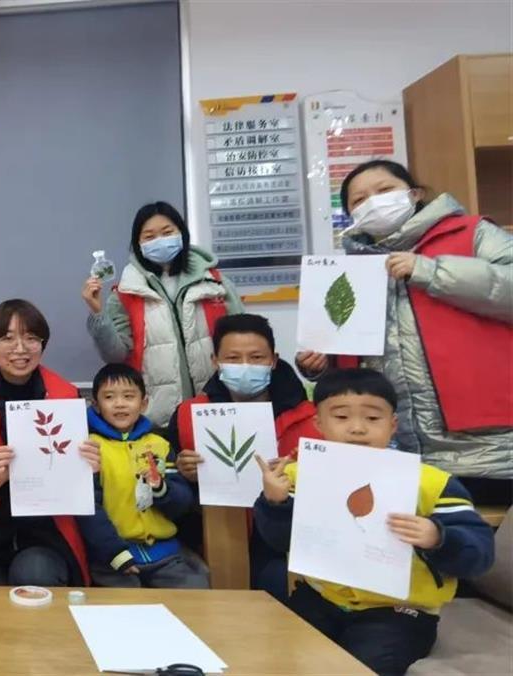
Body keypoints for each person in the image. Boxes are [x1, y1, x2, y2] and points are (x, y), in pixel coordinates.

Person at [254, 368, 495, 675]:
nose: (357, 428)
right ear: (319, 423)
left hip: (398, 613)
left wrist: (439, 537)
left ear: (393, 425)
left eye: (372, 418)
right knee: (272, 657)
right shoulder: (297, 475)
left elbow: (480, 554)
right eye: (341, 417)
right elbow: (277, 540)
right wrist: (275, 502)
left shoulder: (431, 483)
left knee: (363, 668)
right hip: (319, 599)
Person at [295, 160, 511, 492]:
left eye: (384, 190)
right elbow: (358, 359)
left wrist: (430, 271)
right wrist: (322, 363)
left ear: (415, 194)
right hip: (392, 452)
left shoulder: (472, 233)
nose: (373, 202)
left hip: (490, 448)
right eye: (359, 200)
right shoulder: (350, 271)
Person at [0, 299, 101, 587]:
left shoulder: (65, 395)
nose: (20, 348)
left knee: (34, 573)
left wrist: (88, 468)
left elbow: (79, 484)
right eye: (7, 338)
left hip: (47, 529)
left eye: (31, 338)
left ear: (42, 344)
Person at [167, 313, 320, 598]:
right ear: (215, 361)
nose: (245, 366)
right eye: (233, 358)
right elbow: (172, 498)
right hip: (218, 537)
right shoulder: (189, 415)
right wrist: (186, 475)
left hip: (287, 542)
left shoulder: (312, 419)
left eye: (256, 357)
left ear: (273, 360)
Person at [83, 201, 244, 426]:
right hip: (158, 417)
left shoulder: (215, 282)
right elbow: (115, 356)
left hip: (216, 409)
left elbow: (242, 339)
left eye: (167, 233)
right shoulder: (126, 292)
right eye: (149, 236)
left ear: (182, 233)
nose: (160, 241)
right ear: (138, 244)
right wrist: (98, 312)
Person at [77, 363, 207, 588]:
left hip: (164, 553)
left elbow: (183, 502)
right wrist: (114, 553)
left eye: (129, 396)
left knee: (196, 590)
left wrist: (161, 489)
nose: (120, 404)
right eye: (109, 397)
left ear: (144, 403)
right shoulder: (90, 448)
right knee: (126, 603)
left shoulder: (160, 445)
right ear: (96, 405)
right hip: (112, 557)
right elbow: (88, 509)